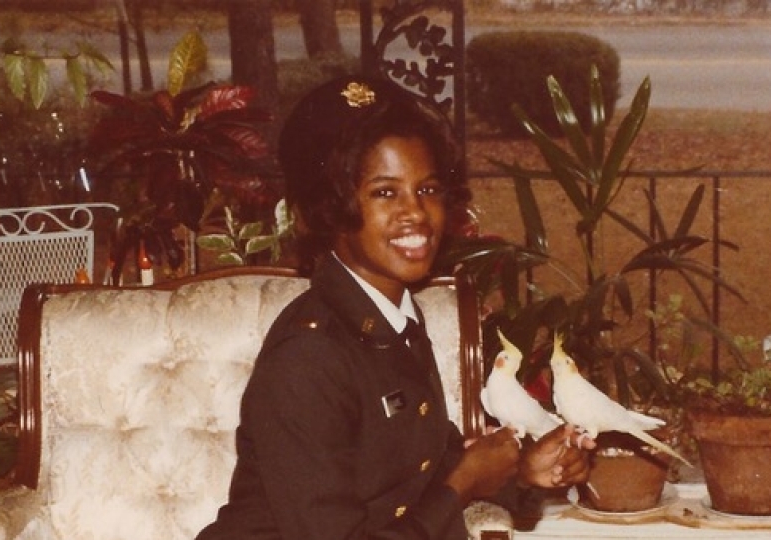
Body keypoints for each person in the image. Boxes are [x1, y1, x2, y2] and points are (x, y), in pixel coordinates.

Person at [195, 75, 594, 540]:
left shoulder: (395, 316)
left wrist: (525, 472)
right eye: (385, 192)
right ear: (331, 207)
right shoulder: (308, 357)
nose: (417, 214)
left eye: (427, 190)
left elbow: (419, 470)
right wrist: (462, 483)